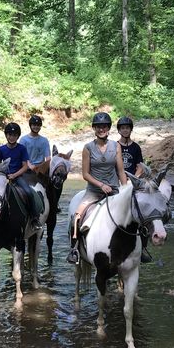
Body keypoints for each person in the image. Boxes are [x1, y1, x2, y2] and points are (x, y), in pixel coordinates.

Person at [67, 112, 129, 264]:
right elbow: (85, 174)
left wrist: (126, 189)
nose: (102, 129)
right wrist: (101, 185)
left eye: (105, 126)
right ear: (94, 129)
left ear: (109, 128)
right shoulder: (88, 148)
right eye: (99, 127)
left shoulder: (116, 146)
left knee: (133, 214)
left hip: (114, 190)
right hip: (94, 191)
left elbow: (120, 170)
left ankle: (139, 250)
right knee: (78, 215)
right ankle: (74, 249)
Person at [0, 122, 42, 232]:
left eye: (14, 135)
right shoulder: (1, 149)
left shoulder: (21, 149)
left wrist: (14, 175)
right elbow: (0, 165)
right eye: (10, 134)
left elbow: (25, 167)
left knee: (28, 192)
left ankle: (34, 219)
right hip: (3, 178)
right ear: (6, 135)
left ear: (18, 136)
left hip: (18, 177)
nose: (12, 137)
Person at [116, 116, 152, 263]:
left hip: (133, 182)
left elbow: (140, 165)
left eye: (127, 127)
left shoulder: (136, 147)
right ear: (119, 130)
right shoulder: (114, 145)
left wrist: (133, 178)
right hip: (117, 181)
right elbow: (115, 166)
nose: (125, 130)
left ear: (131, 129)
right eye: (122, 128)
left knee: (143, 212)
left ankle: (143, 247)